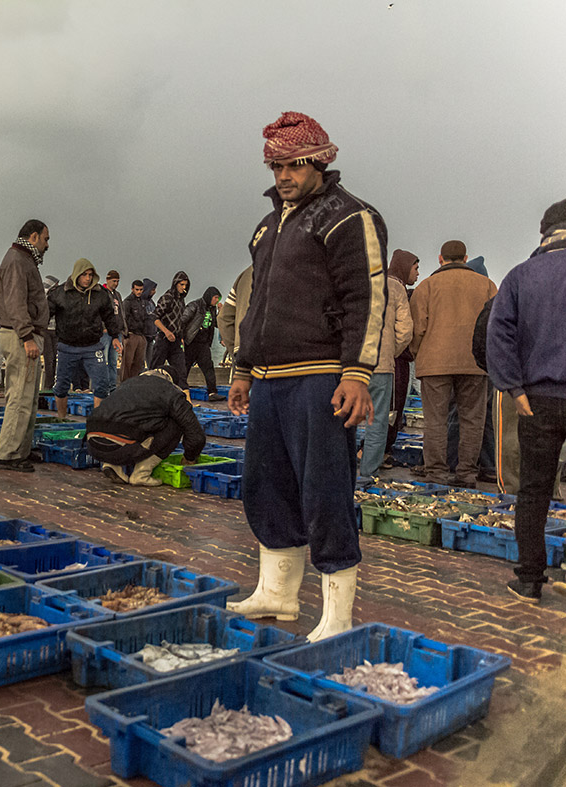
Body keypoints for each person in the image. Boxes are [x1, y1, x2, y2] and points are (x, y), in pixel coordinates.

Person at [227, 111, 385, 642]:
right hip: (269, 379)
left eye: (293, 165)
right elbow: (258, 303)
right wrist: (243, 367)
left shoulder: (348, 217)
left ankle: (336, 614)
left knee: (324, 491)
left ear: (319, 160)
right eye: (276, 166)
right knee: (265, 486)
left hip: (320, 377)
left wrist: (357, 373)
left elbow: (366, 298)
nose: (284, 176)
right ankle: (277, 593)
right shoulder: (267, 227)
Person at [487, 198, 566, 601]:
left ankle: (530, 580)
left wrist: (513, 389)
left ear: (544, 233)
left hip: (537, 399)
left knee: (534, 491)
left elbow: (498, 335)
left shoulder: (520, 276)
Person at [409, 240, 497, 487]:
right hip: (475, 364)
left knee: (435, 420)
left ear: (440, 258)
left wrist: (420, 354)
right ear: (465, 257)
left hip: (435, 363)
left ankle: (436, 474)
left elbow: (417, 329)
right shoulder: (488, 286)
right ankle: (467, 475)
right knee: (473, 421)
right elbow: (496, 326)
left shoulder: (426, 287)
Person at [87, 368, 206, 486]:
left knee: (122, 422)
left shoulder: (128, 383)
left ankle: (111, 464)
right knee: (176, 423)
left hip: (93, 444)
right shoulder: (171, 392)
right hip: (122, 446)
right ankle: (141, 473)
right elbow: (196, 435)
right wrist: (189, 457)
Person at [0, 219, 50, 472]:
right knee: (19, 396)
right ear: (35, 236)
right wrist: (27, 336)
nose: (47, 244)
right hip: (20, 336)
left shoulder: (22, 259)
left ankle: (21, 450)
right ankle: (9, 454)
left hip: (22, 334)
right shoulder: (18, 260)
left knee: (27, 396)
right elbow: (16, 301)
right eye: (46, 239)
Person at [359, 252, 413, 477]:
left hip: (348, 366)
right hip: (381, 365)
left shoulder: (347, 281)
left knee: (342, 418)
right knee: (378, 421)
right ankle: (367, 474)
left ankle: (339, 473)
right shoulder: (395, 288)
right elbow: (405, 330)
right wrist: (391, 352)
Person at [47, 258, 123, 415]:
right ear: (76, 275)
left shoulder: (100, 295)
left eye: (90, 275)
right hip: (67, 346)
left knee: (101, 384)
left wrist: (115, 336)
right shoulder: (60, 293)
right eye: (84, 275)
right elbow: (45, 314)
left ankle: (96, 420)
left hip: (92, 346)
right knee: (61, 386)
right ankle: (61, 417)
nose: (87, 278)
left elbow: (109, 316)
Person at [447, 255, 497, 482]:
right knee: (482, 419)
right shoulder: (489, 292)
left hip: (462, 364)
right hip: (485, 368)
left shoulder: (455, 296)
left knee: (458, 415)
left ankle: (453, 462)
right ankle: (486, 465)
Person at [382, 250, 420, 463]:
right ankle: (379, 452)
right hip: (395, 361)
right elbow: (406, 330)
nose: (417, 274)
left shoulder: (377, 284)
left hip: (372, 359)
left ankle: (373, 451)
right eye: (415, 269)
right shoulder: (398, 289)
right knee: (392, 409)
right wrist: (396, 351)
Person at [180, 286, 224, 401]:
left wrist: (221, 312)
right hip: (191, 342)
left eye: (218, 299)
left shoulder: (212, 309)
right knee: (185, 367)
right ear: (209, 296)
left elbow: (216, 324)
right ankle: (180, 390)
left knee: (208, 367)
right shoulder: (195, 305)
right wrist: (181, 338)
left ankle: (212, 392)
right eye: (215, 298)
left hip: (203, 343)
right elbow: (182, 321)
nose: (216, 301)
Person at [151, 271, 191, 385]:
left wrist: (181, 337)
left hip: (176, 340)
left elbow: (180, 321)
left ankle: (183, 397)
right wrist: (166, 331)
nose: (183, 288)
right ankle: (151, 395)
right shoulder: (168, 297)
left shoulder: (181, 300)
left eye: (185, 285)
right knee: (155, 370)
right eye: (181, 285)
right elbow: (154, 317)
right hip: (163, 338)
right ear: (175, 284)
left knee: (181, 371)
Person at [219, 265, 253, 382]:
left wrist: (235, 348)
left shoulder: (244, 276)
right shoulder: (289, 269)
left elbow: (223, 318)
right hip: (275, 357)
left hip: (243, 352)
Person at [119, 280, 149, 382]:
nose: (139, 292)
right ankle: (124, 384)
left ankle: (133, 383)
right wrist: (126, 334)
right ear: (132, 289)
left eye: (141, 290)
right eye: (137, 289)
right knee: (127, 362)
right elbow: (123, 318)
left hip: (141, 335)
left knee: (139, 362)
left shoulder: (143, 302)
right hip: (131, 334)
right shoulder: (128, 302)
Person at [101, 270, 124, 395]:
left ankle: (112, 387)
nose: (116, 284)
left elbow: (121, 314)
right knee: (103, 361)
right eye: (114, 281)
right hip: (105, 333)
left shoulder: (117, 295)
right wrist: (103, 327)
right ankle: (102, 387)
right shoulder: (102, 294)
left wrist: (123, 329)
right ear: (108, 280)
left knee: (113, 361)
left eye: (117, 281)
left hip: (116, 332)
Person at [40, 274, 61, 391]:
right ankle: (48, 385)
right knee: (49, 359)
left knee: (54, 359)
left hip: (55, 330)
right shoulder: (43, 297)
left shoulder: (56, 297)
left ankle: (52, 383)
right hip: (46, 330)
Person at [141, 278, 158, 367]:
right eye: (152, 290)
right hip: (143, 336)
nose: (154, 292)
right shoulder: (141, 302)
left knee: (151, 362)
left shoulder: (152, 303)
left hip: (151, 337)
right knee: (141, 362)